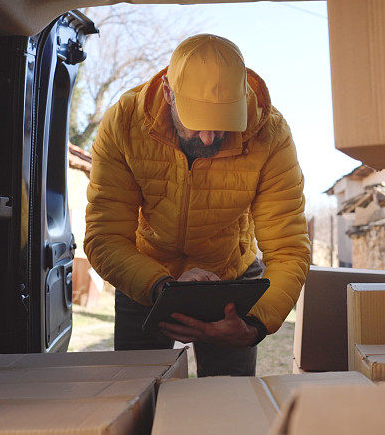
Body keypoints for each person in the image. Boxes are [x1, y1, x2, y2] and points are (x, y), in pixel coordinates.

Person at [84, 34, 311, 376]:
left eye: (223, 124)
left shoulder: (270, 134)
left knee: (226, 406)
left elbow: (289, 248)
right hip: (145, 274)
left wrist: (253, 324)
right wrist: (163, 286)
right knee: (137, 397)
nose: (209, 138)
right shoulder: (124, 123)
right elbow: (104, 237)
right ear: (167, 93)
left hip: (230, 278)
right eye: (197, 122)